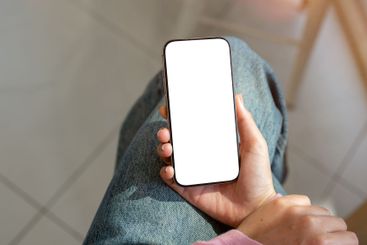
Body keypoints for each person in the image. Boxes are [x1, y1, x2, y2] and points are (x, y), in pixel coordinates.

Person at [83, 37, 358, 244]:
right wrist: (261, 204)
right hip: (253, 209)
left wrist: (251, 237)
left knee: (236, 64)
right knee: (236, 59)